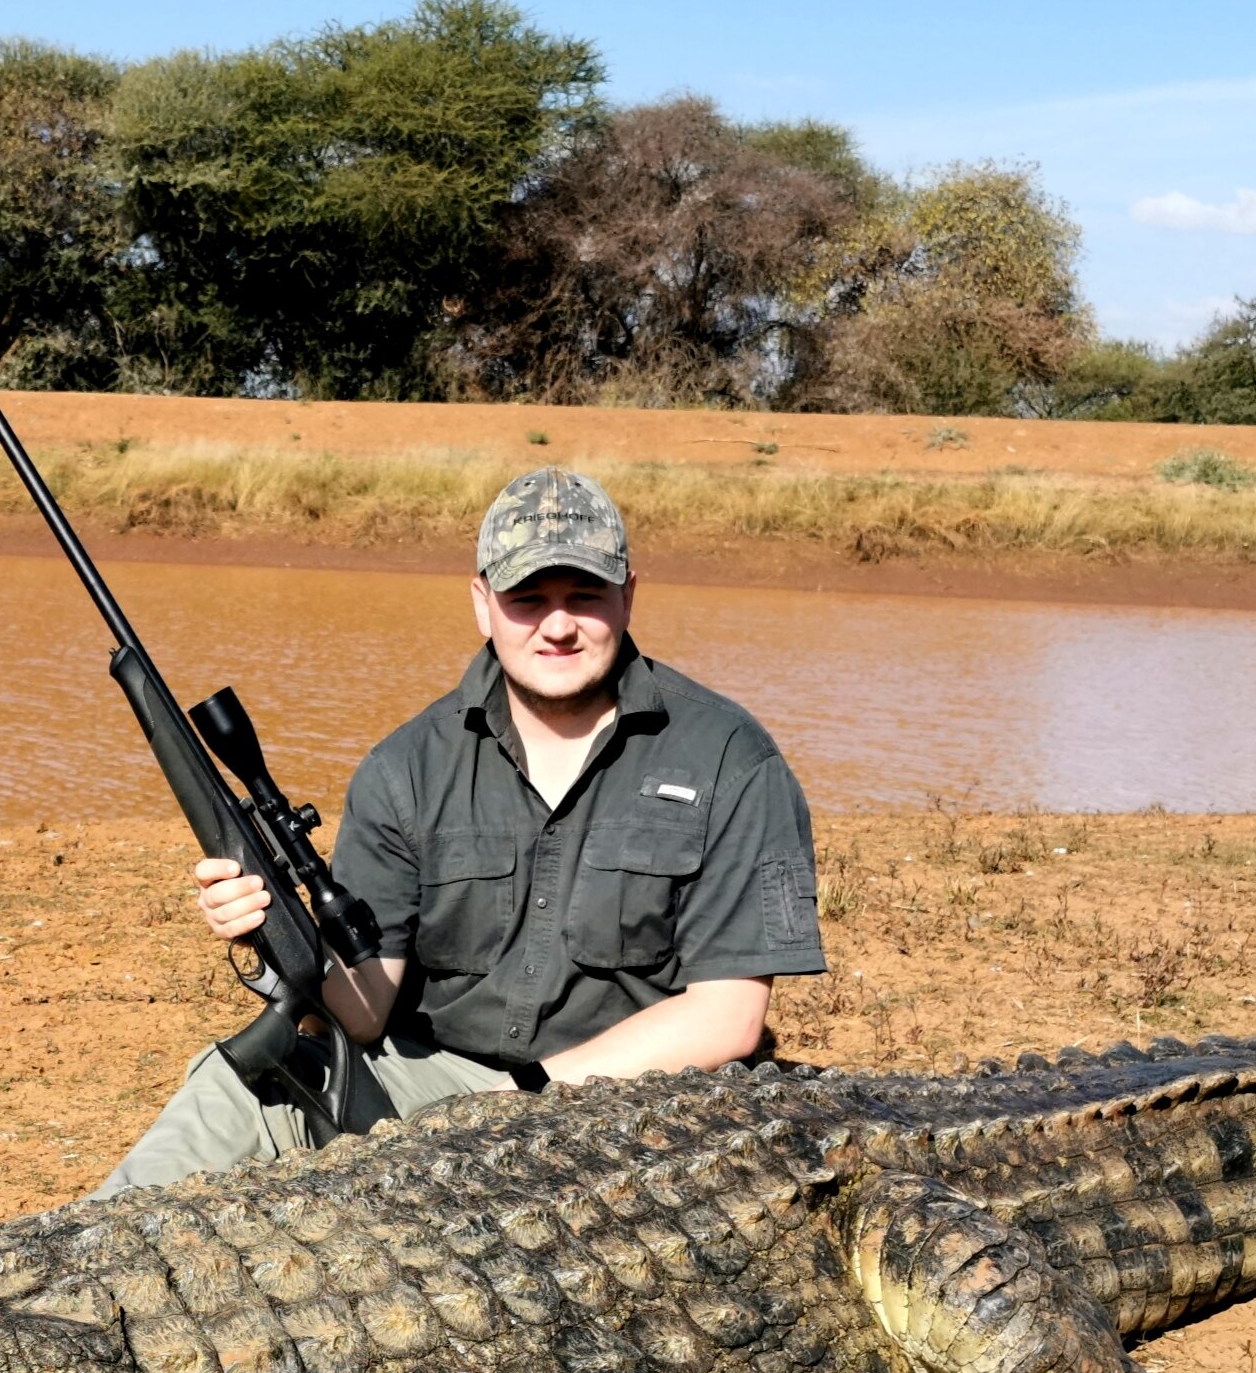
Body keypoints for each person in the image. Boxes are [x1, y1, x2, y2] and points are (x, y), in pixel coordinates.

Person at [100, 467, 824, 1193]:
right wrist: (268, 936)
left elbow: (727, 1017)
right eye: (528, 599)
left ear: (628, 594)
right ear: (483, 604)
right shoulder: (404, 766)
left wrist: (524, 1101)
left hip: (636, 1099)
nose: (559, 625)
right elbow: (359, 1011)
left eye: (585, 596)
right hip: (435, 1083)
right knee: (235, 1086)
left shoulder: (731, 757)